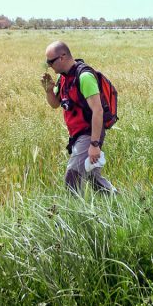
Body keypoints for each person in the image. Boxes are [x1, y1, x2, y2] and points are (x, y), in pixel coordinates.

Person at [41, 41, 116, 196]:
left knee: (72, 176)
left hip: (89, 133)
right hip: (77, 135)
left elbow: (98, 111)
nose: (49, 66)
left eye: (50, 62)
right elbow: (55, 104)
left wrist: (94, 144)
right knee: (93, 177)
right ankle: (118, 202)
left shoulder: (84, 77)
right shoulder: (63, 79)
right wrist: (49, 91)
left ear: (62, 57)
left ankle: (75, 215)